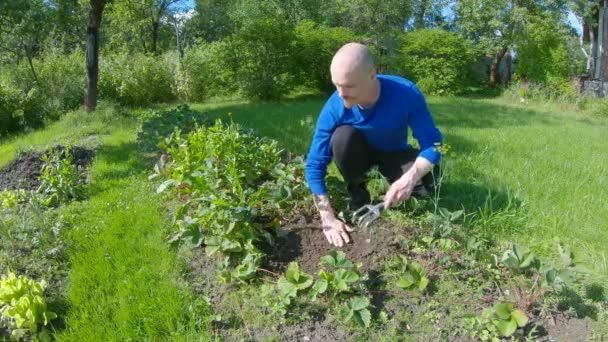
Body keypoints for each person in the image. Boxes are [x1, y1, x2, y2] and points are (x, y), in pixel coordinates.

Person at [304, 42, 443, 247]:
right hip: (358, 155)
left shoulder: (405, 93)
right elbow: (314, 164)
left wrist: (409, 178)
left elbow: (433, 144)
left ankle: (389, 195)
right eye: (337, 85)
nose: (341, 93)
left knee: (429, 181)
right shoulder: (335, 105)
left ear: (372, 75)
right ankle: (358, 194)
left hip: (393, 152)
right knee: (341, 137)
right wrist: (327, 218)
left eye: (349, 86)